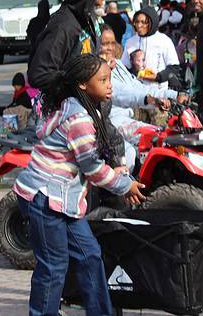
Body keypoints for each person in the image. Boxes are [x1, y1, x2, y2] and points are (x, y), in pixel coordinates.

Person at [14, 54, 145, 315]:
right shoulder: (80, 119)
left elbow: (90, 158)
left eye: (109, 79)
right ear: (84, 85)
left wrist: (116, 170)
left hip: (64, 200)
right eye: (103, 80)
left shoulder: (81, 107)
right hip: (45, 198)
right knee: (53, 266)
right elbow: (93, 170)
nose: (110, 85)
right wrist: (124, 185)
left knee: (90, 255)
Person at [28, 0, 127, 170]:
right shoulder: (63, 25)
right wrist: (78, 78)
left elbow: (85, 58)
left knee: (125, 153)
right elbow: (38, 74)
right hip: (72, 118)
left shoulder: (87, 17)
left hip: (93, 109)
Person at [121, 6, 181, 90]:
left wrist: (157, 77)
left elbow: (174, 68)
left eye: (143, 22)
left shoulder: (164, 40)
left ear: (152, 22)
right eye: (137, 22)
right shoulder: (130, 42)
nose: (139, 25)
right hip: (137, 93)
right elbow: (125, 67)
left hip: (159, 92)